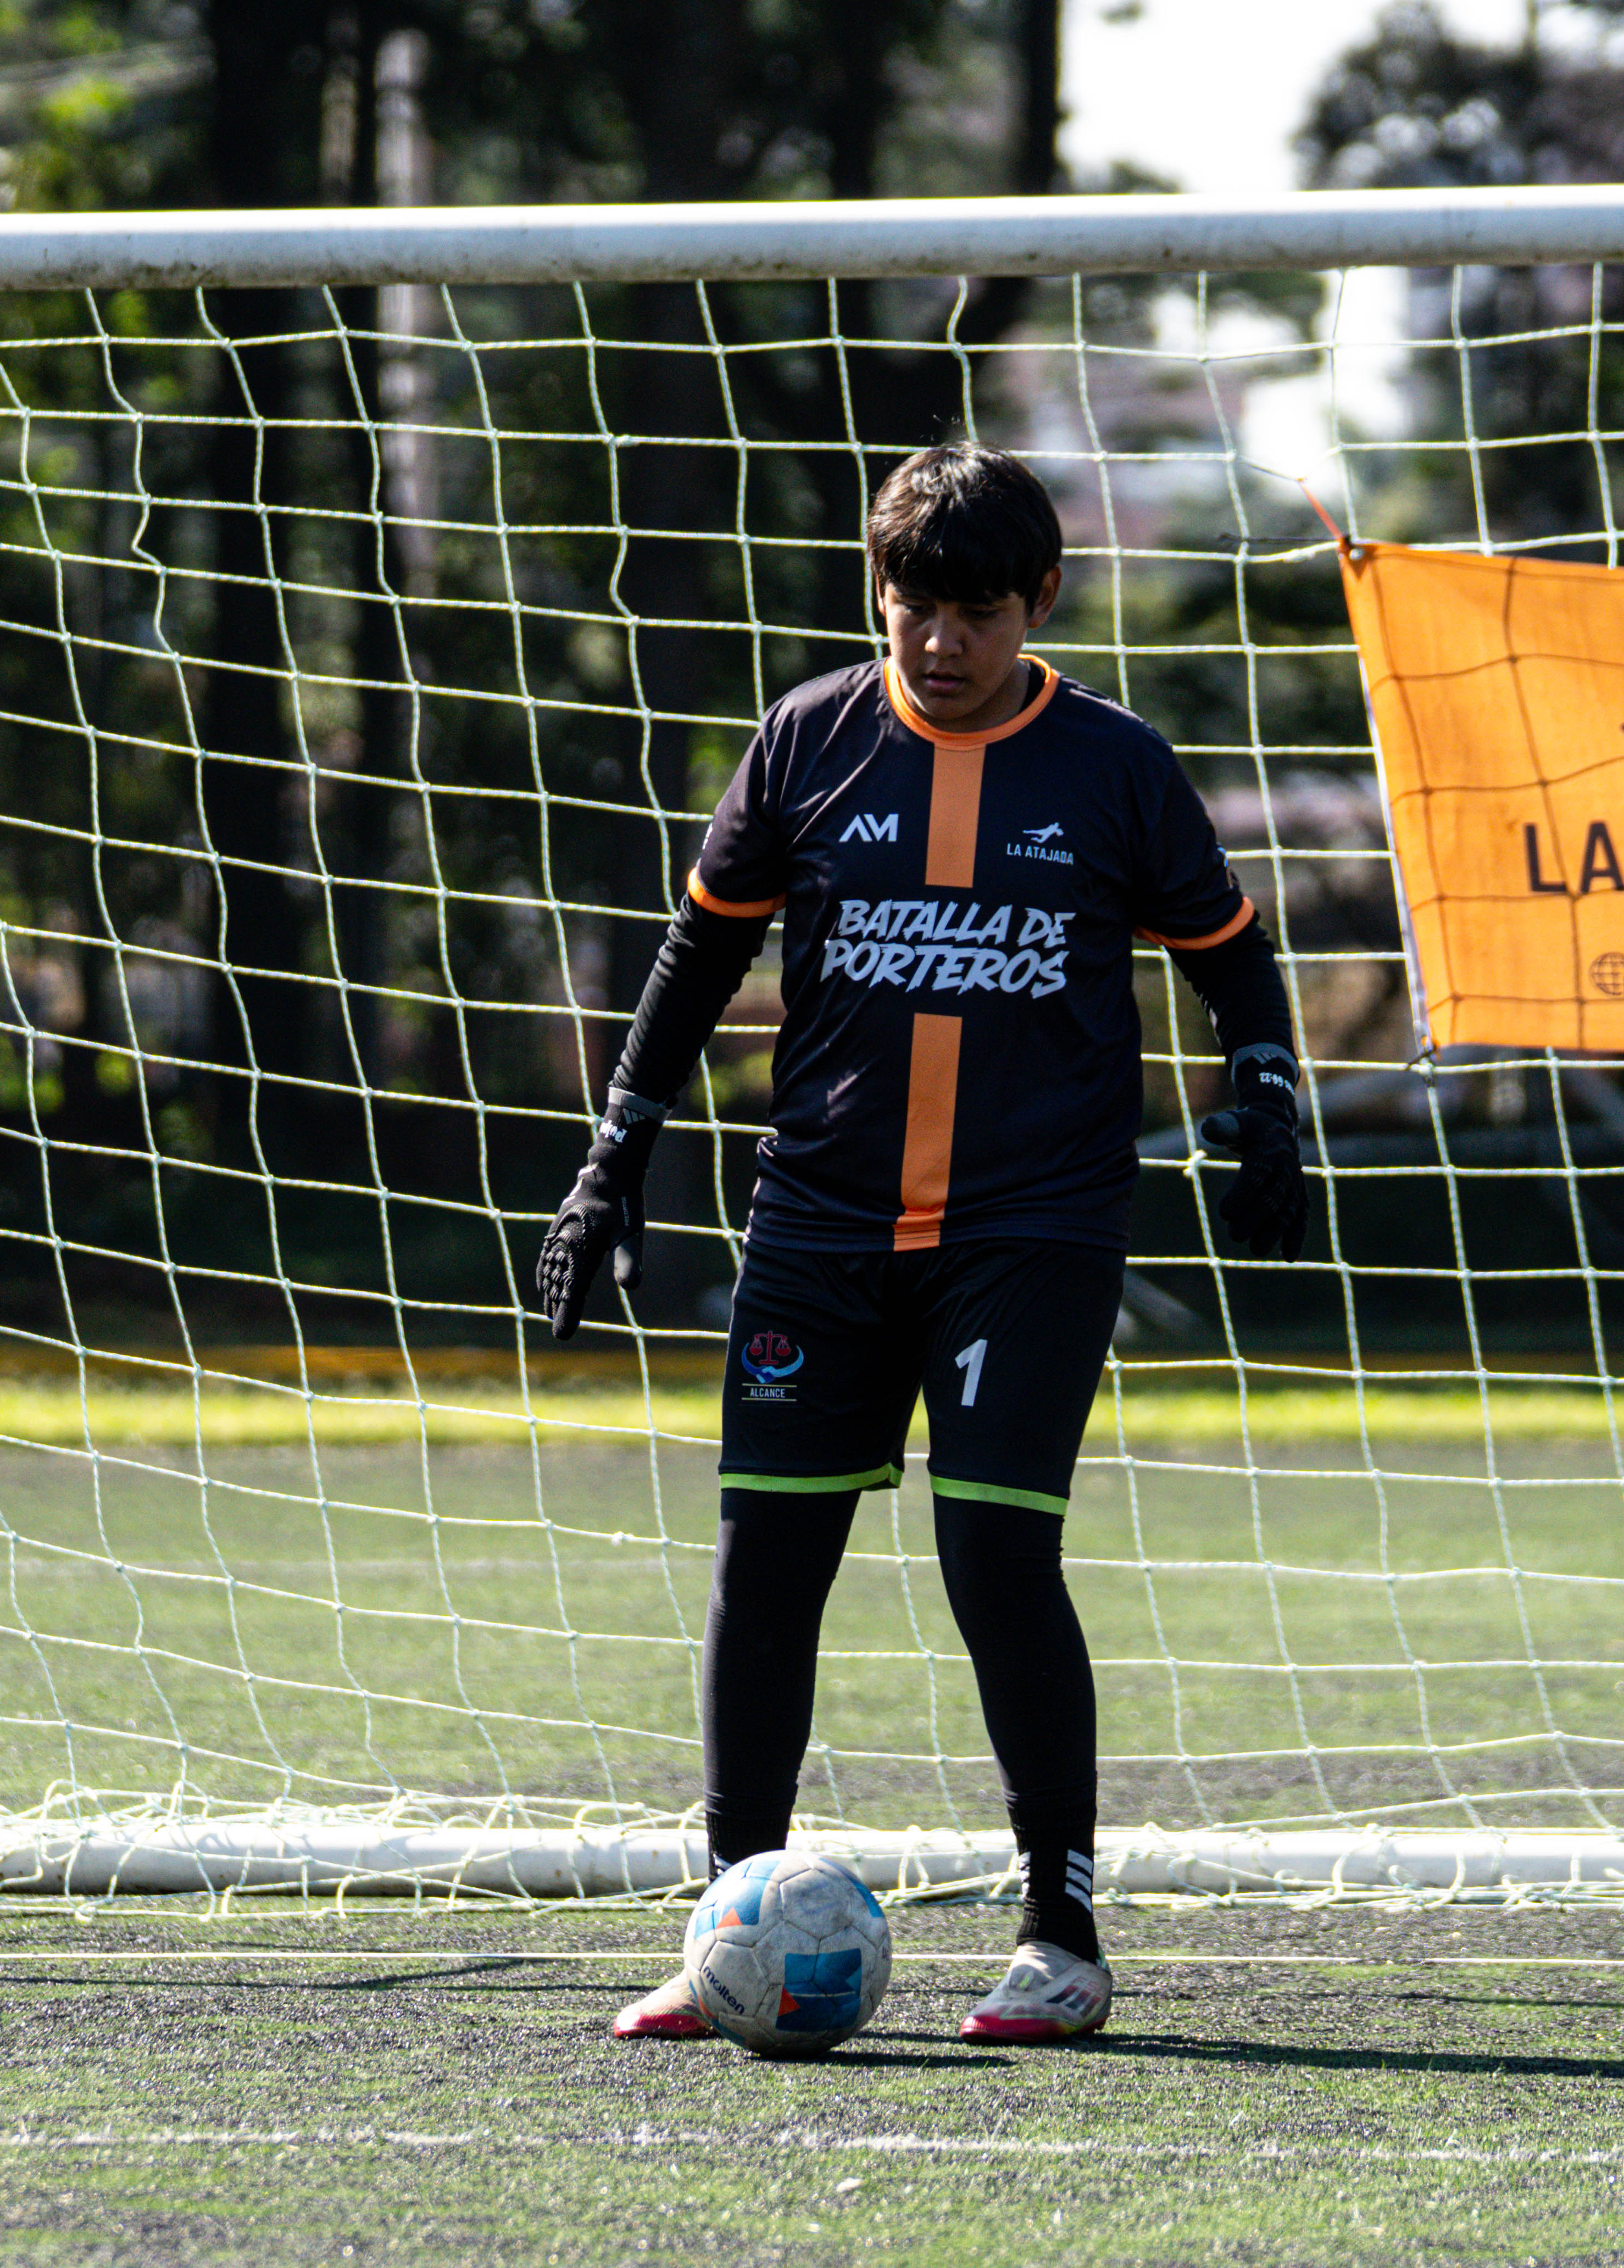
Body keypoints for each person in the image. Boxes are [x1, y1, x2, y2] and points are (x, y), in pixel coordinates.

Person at [532, 443, 1306, 2044]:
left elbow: (1235, 956)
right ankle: (731, 1911)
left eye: (975, 608)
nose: (940, 638)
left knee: (995, 1552)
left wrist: (1271, 1096)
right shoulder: (807, 737)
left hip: (1031, 1228)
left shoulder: (1115, 764)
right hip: (819, 1222)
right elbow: (697, 953)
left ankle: (1063, 1933)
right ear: (874, 594)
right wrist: (617, 1152)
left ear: (1039, 602)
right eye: (913, 603)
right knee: (771, 1560)